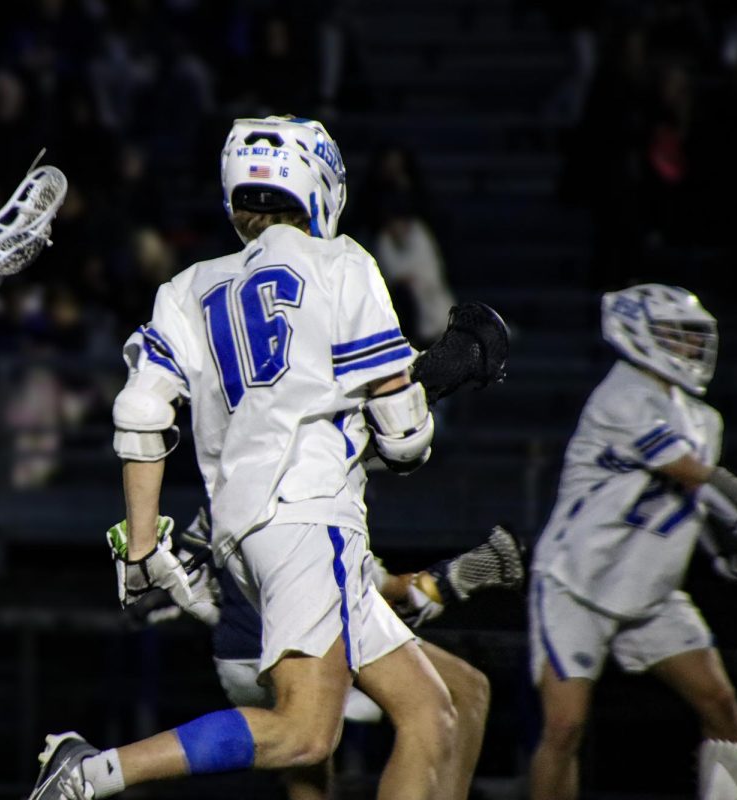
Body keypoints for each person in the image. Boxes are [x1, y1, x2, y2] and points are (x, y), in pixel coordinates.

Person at [29, 115, 457, 800]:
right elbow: (404, 444)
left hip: (243, 534)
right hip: (309, 521)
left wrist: (142, 550)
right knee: (307, 735)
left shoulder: (186, 287)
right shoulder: (344, 263)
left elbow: (140, 416)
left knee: (435, 712)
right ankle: (95, 772)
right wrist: (428, 393)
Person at [117, 512, 523, 800]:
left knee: (310, 767)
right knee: (440, 702)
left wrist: (434, 586)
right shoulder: (308, 450)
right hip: (293, 636)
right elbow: (359, 586)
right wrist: (438, 585)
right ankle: (100, 771)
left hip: (256, 642)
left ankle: (100, 770)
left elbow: (190, 561)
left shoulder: (246, 454)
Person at [528, 284, 737, 799]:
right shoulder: (622, 394)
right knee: (564, 728)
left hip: (650, 590)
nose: (690, 347)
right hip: (576, 582)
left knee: (720, 705)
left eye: (693, 337)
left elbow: (697, 502)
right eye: (677, 334)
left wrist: (727, 548)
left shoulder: (703, 418)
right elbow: (691, 471)